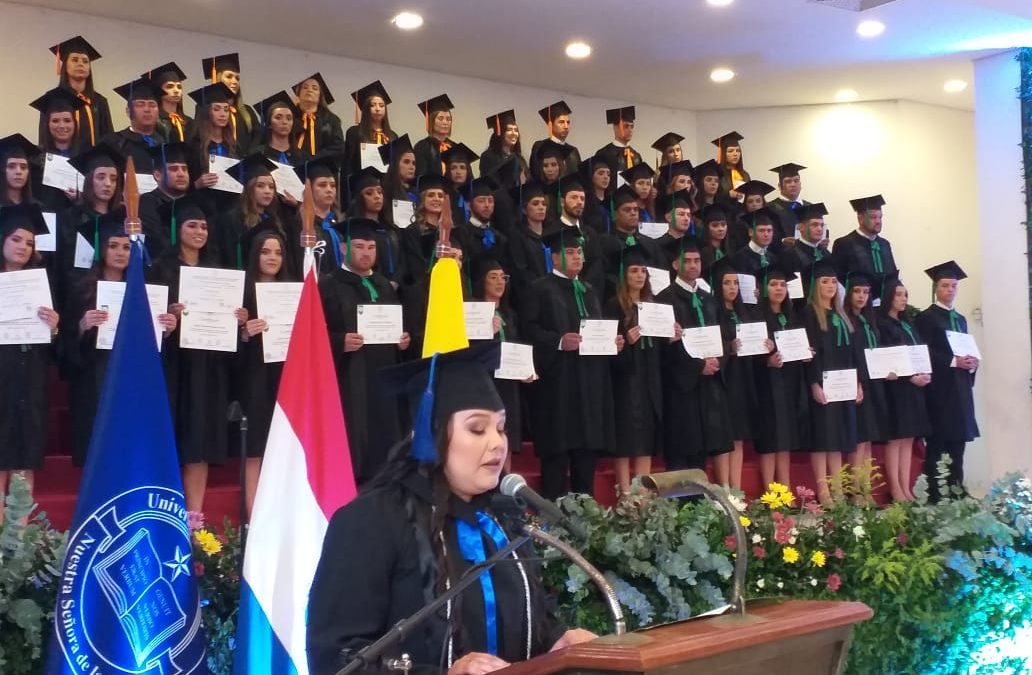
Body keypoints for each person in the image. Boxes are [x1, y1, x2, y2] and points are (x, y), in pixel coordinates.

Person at [307, 342, 595, 675]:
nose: (497, 443)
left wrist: (558, 641)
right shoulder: (372, 521)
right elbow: (336, 657)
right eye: (477, 428)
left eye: (501, 428)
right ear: (430, 435)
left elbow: (528, 615)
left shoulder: (503, 518)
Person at [148, 194, 247, 512]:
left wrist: (237, 319)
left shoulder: (216, 272)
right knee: (174, 437)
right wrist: (167, 315)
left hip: (209, 366)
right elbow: (146, 320)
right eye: (192, 225)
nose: (200, 232)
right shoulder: (160, 269)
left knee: (200, 439)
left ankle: (194, 516)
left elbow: (228, 326)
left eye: (204, 226)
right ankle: (165, 512)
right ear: (178, 229)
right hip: (174, 366)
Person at [63, 213, 176, 465]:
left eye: (126, 247)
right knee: (99, 446)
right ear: (101, 250)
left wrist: (166, 329)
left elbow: (156, 345)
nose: (120, 253)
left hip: (133, 375)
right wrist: (82, 326)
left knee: (130, 446)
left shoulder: (146, 291)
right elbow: (67, 349)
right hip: (95, 378)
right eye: (113, 246)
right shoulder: (83, 290)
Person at [521, 227, 619, 498]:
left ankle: (586, 519)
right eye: (571, 252)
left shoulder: (588, 290)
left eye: (580, 253)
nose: (577, 257)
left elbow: (596, 329)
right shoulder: (539, 289)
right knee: (557, 455)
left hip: (588, 383)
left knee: (586, 456)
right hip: (558, 385)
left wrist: (612, 342)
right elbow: (528, 330)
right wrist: (559, 341)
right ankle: (553, 520)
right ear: (554, 258)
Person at [320, 218, 410, 484]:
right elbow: (315, 334)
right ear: (345, 248)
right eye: (359, 246)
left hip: (383, 376)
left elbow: (397, 327)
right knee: (355, 435)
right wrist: (339, 341)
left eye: (371, 247)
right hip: (350, 377)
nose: (366, 252)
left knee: (385, 434)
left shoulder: (384, 285)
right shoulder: (329, 284)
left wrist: (403, 341)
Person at [0, 204, 60, 523]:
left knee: (25, 459)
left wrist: (54, 327)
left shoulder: (40, 285)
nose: (24, 247)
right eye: (16, 239)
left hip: (30, 378)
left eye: (30, 242)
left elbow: (52, 346)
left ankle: (19, 549)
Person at [655, 237, 733, 470]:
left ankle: (699, 503)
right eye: (686, 261)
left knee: (702, 448)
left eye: (697, 260)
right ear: (675, 265)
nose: (692, 265)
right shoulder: (665, 299)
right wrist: (698, 367)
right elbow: (665, 347)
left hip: (708, 383)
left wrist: (717, 361)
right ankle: (678, 504)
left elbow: (723, 336)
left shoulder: (708, 299)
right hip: (681, 385)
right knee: (682, 445)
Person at [604, 244, 666, 497]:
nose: (640, 275)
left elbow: (661, 350)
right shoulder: (613, 306)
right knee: (626, 440)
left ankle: (642, 496)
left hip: (649, 379)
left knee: (645, 441)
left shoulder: (655, 307)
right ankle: (625, 495)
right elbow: (608, 349)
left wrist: (671, 335)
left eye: (643, 271)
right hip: (625, 380)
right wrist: (625, 343)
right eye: (633, 271)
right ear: (624, 275)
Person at [236, 229, 290, 516]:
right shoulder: (242, 294)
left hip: (285, 375)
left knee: (283, 443)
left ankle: (281, 512)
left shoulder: (293, 292)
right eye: (266, 252)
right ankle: (253, 514)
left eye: (278, 252)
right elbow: (227, 349)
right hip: (255, 376)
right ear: (255, 255)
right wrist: (244, 333)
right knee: (256, 445)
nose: (272, 258)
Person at [914, 260, 979, 500]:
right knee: (938, 443)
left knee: (958, 442)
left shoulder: (960, 319)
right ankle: (934, 491)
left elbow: (967, 347)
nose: (950, 290)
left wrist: (973, 363)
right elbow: (926, 352)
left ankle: (956, 488)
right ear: (936, 288)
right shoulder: (926, 318)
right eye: (945, 285)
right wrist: (953, 362)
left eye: (953, 286)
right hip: (940, 390)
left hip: (960, 389)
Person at [803, 259, 860, 506]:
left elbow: (852, 354)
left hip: (844, 383)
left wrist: (857, 384)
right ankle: (823, 489)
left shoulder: (841, 314)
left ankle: (837, 488)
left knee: (837, 437)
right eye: (825, 281)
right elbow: (810, 352)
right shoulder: (810, 313)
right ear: (816, 285)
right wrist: (814, 383)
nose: (830, 286)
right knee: (822, 437)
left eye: (834, 282)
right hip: (823, 383)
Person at [754, 264, 810, 487]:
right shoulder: (756, 316)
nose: (779, 289)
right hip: (767, 383)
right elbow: (748, 354)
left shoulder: (792, 316)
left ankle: (784, 489)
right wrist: (766, 360)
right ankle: (769, 490)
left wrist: (805, 354)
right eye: (774, 284)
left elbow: (798, 347)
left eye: (783, 285)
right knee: (771, 437)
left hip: (790, 381)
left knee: (786, 436)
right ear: (765, 289)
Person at [470, 258, 526, 468]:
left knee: (506, 434)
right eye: (493, 277)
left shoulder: (510, 315)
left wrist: (526, 370)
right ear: (482, 282)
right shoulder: (472, 312)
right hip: (484, 383)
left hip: (508, 382)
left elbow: (517, 347)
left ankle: (505, 490)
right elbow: (468, 349)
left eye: (503, 277)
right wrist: (486, 332)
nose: (499, 282)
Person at [878, 277, 931, 502]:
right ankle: (895, 487)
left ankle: (906, 486)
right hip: (897, 387)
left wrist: (925, 373)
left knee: (909, 438)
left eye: (905, 295)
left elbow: (918, 352)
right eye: (898, 295)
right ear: (889, 296)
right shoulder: (882, 324)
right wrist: (910, 376)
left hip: (915, 388)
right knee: (896, 438)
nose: (903, 299)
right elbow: (887, 358)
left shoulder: (908, 323)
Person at [57, 143, 124, 307]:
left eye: (113, 178)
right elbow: (63, 268)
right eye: (101, 177)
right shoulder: (70, 219)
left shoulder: (124, 220)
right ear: (89, 180)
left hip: (117, 296)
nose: (108, 183)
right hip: (79, 300)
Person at [713, 259, 757, 489]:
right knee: (726, 436)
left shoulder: (743, 312)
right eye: (727, 283)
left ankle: (737, 489)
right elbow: (711, 342)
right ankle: (724, 488)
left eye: (735, 283)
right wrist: (730, 346)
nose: (732, 288)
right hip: (724, 377)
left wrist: (764, 344)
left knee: (738, 434)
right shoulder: (714, 310)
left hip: (742, 377)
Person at [843, 272, 889, 495]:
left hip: (875, 382)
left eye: (865, 292)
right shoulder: (845, 320)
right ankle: (855, 489)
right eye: (857, 291)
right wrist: (857, 381)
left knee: (869, 438)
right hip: (857, 382)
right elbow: (849, 355)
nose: (861, 296)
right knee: (859, 438)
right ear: (849, 293)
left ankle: (866, 488)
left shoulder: (870, 321)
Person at [217, 153, 295, 275]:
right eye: (260, 186)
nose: (267, 191)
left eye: (271, 187)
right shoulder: (233, 220)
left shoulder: (276, 220)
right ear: (249, 188)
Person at [47, 36, 113, 151]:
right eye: (75, 60)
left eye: (85, 61)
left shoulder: (99, 101)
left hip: (93, 163)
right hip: (61, 163)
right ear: (65, 65)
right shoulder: (52, 98)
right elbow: (45, 137)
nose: (81, 64)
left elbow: (108, 138)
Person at [832, 195, 898, 307]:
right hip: (858, 307)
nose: (878, 221)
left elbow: (892, 275)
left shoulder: (884, 244)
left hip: (885, 306)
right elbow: (839, 279)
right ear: (860, 218)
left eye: (880, 217)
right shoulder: (844, 243)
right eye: (873, 217)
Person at [346, 166, 405, 289]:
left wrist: (395, 281)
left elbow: (402, 260)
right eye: (369, 193)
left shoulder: (391, 229)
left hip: (396, 289)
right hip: (368, 289)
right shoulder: (353, 229)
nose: (377, 196)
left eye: (379, 192)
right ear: (359, 198)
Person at [30, 88, 84, 214]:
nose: (61, 126)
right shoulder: (35, 158)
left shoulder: (87, 156)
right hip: (46, 222)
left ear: (74, 123)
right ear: (47, 124)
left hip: (78, 223)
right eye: (55, 121)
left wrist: (82, 198)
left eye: (67, 120)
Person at [200, 52, 261, 154]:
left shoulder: (247, 111)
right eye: (229, 76)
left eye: (237, 78)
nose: (235, 81)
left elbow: (257, 138)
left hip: (244, 165)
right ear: (218, 78)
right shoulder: (205, 108)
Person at [139, 141, 191, 260]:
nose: (181, 174)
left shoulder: (194, 205)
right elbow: (156, 240)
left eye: (184, 169)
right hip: (160, 269)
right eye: (173, 169)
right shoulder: (147, 202)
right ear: (157, 175)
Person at [292, 155, 342, 274]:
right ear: (309, 189)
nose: (329, 189)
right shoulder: (301, 225)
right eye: (322, 185)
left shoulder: (340, 225)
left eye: (333, 185)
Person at [506, 181, 551, 311]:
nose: (541, 207)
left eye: (544, 204)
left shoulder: (551, 234)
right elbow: (521, 271)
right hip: (532, 299)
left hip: (554, 296)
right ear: (524, 209)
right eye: (535, 204)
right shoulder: (518, 237)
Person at [105, 78, 166, 174]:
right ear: (128, 112)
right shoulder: (113, 143)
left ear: (158, 112)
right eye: (140, 104)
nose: (147, 109)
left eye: (152, 105)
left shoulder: (165, 145)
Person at [342, 80, 397, 174]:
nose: (378, 109)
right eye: (372, 105)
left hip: (387, 185)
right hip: (362, 183)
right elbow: (348, 165)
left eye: (381, 105)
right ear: (366, 108)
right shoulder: (355, 132)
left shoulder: (392, 136)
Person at [292, 72, 345, 158]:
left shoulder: (331, 120)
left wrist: (314, 159)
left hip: (320, 165)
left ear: (320, 96)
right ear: (298, 93)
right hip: (290, 164)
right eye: (305, 87)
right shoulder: (290, 116)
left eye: (315, 88)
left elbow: (338, 147)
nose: (309, 90)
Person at [145, 61, 193, 143]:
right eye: (170, 86)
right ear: (159, 90)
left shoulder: (189, 122)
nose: (176, 90)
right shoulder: (154, 120)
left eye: (179, 87)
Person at [530, 100, 581, 175]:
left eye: (568, 122)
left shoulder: (573, 151)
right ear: (551, 125)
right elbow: (535, 173)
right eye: (561, 122)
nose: (566, 126)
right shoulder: (540, 146)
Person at [255, 90, 305, 167]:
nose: (284, 122)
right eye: (278, 118)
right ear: (269, 124)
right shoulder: (258, 155)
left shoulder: (302, 157)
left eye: (289, 118)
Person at [380, 134, 418, 226]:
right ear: (395, 164)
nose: (411, 167)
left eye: (413, 163)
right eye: (406, 162)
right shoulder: (385, 191)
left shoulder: (415, 191)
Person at [414, 94, 456, 176]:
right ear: (431, 121)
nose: (445, 122)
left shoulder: (455, 147)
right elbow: (421, 176)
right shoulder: (422, 147)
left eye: (448, 119)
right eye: (440, 118)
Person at [766, 163, 808, 245]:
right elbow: (765, 235)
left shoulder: (809, 207)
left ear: (800, 184)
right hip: (781, 255)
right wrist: (781, 242)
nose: (793, 184)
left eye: (796, 181)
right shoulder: (770, 208)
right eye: (788, 181)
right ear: (779, 186)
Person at [480, 109, 527, 180]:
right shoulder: (488, 157)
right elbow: (488, 182)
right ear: (500, 133)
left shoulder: (520, 158)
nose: (514, 133)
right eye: (509, 130)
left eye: (516, 130)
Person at [596, 106, 641, 179]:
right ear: (615, 128)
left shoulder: (636, 156)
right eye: (625, 126)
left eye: (632, 126)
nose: (630, 130)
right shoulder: (603, 154)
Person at [1, 133, 40, 206]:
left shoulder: (38, 208)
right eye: (11, 166)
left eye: (23, 167)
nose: (19, 172)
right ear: (2, 170)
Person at [712, 131, 749, 201]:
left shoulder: (745, 175)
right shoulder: (716, 174)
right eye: (730, 151)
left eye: (738, 151)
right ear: (723, 153)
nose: (735, 154)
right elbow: (710, 198)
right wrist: (728, 194)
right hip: (722, 210)